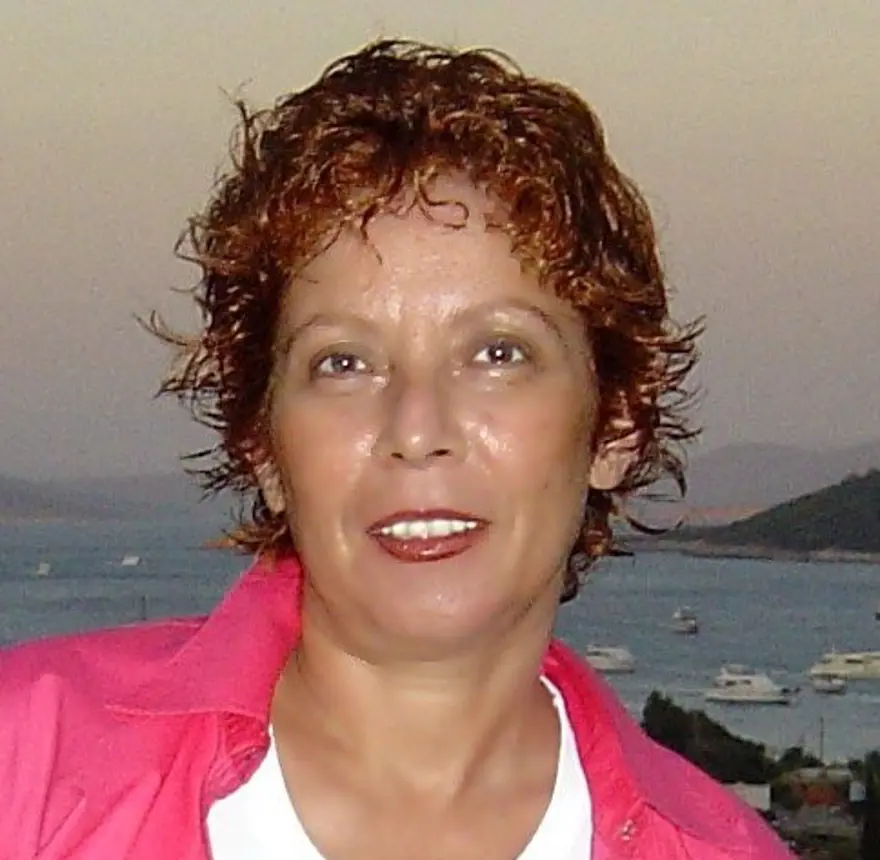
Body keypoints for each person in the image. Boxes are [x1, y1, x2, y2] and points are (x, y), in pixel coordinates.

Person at [0, 39, 793, 859]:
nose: (417, 428)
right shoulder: (27, 768)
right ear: (264, 446)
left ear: (615, 424)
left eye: (498, 353)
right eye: (344, 363)